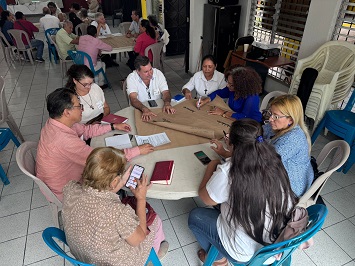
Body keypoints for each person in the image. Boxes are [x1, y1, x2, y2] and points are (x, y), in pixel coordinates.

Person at [188, 119, 297, 264]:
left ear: (231, 144)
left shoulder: (229, 171)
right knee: (224, 199)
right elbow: (249, 162)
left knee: (195, 216)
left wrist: (212, 165)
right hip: (277, 243)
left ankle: (218, 260)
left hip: (246, 252)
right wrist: (227, 154)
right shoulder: (273, 159)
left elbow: (205, 198)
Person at [36, 88, 154, 201]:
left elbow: (86, 130)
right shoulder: (63, 140)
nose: (82, 109)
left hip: (61, 177)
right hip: (66, 190)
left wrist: (112, 126)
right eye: (79, 106)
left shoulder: (56, 123)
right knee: (115, 172)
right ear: (67, 112)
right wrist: (137, 150)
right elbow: (102, 161)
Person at [62, 147, 169, 265]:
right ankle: (156, 254)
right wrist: (141, 198)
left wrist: (120, 182)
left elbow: (97, 194)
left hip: (82, 256)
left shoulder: (70, 188)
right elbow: (139, 239)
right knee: (154, 220)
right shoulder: (117, 212)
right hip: (114, 262)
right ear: (113, 182)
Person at [263, 94, 314, 197]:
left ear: (291, 119)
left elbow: (264, 161)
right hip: (279, 172)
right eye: (271, 113)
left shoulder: (292, 139)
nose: (271, 119)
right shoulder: (280, 125)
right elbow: (260, 131)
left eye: (276, 116)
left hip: (291, 187)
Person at [198, 66, 262, 122]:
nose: (227, 85)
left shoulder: (252, 97)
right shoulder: (232, 89)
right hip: (232, 118)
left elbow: (244, 117)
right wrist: (205, 100)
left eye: (231, 85)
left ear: (241, 86)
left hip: (249, 125)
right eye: (228, 82)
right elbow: (219, 93)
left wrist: (223, 112)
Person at [126, 56, 176, 121]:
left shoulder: (158, 73)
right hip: (140, 109)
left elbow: (166, 92)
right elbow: (133, 99)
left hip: (158, 107)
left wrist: (167, 103)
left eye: (150, 69)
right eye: (146, 72)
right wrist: (144, 109)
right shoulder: (131, 78)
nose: (150, 74)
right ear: (138, 71)